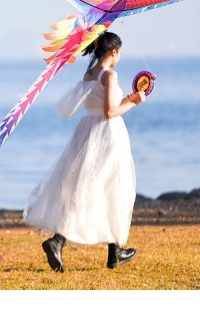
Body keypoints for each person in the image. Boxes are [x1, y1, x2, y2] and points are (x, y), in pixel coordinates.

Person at [23, 32, 146, 271]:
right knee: (112, 188)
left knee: (89, 187)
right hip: (107, 135)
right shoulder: (110, 74)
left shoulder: (89, 74)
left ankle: (111, 250)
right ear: (114, 52)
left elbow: (99, 106)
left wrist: (129, 97)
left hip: (87, 133)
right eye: (120, 52)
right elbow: (110, 112)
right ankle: (66, 242)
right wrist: (134, 101)